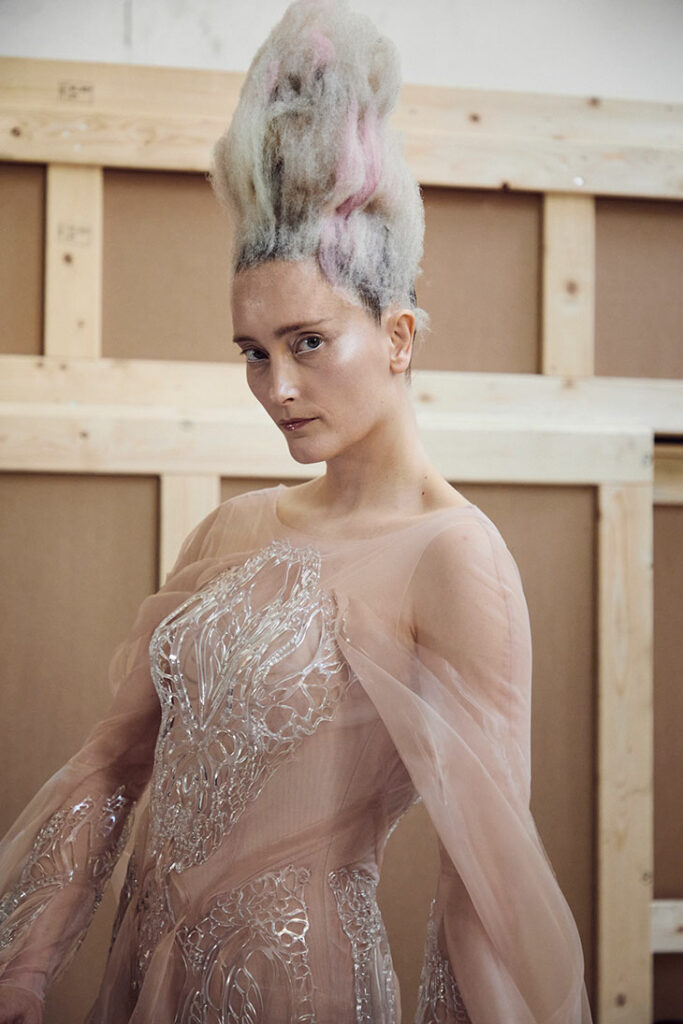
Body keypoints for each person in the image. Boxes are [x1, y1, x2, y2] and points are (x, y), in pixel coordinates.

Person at [0, 1, 594, 1021]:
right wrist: (22, 966)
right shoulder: (229, 530)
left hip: (297, 987)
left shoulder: (453, 556)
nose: (276, 387)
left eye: (308, 342)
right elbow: (112, 759)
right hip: (142, 977)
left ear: (397, 337)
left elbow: (486, 890)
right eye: (253, 352)